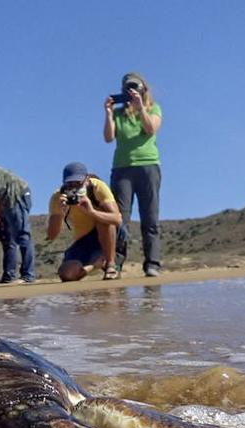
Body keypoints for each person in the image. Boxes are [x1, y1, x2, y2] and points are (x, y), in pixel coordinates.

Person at [104, 72, 163, 278]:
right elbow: (108, 137)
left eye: (134, 87)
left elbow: (150, 129)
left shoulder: (153, 109)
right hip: (122, 168)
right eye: (126, 88)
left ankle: (152, 263)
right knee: (121, 218)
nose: (130, 91)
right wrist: (109, 114)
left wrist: (140, 108)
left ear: (143, 89)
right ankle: (117, 264)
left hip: (148, 166)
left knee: (150, 216)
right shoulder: (119, 114)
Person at [46, 162, 122, 282]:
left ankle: (111, 265)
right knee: (67, 274)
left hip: (110, 236)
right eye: (70, 184)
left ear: (86, 180)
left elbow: (117, 219)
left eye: (78, 183)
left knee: (103, 221)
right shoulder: (57, 198)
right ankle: (96, 264)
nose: (74, 188)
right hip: (84, 241)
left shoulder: (97, 187)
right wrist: (61, 214)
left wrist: (92, 212)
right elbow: (51, 235)